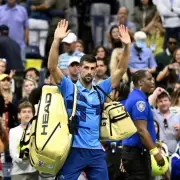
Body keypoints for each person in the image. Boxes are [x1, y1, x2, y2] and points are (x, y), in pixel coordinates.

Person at [48, 19, 131, 180]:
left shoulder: (101, 89)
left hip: (96, 151)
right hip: (74, 149)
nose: (89, 72)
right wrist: (56, 40)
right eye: (86, 67)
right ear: (79, 68)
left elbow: (121, 69)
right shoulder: (68, 87)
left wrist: (127, 46)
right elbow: (52, 67)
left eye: (93, 68)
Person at [121, 70, 165, 180]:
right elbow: (141, 130)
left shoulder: (135, 97)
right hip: (137, 153)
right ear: (140, 82)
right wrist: (156, 153)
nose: (153, 81)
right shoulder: (138, 102)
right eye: (149, 79)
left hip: (134, 152)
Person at [9, 101, 39, 180]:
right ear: (19, 115)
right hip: (18, 173)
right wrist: (26, 156)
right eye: (24, 112)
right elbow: (13, 153)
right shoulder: (13, 131)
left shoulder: (37, 130)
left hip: (34, 172)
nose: (27, 114)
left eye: (29, 112)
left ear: (33, 115)